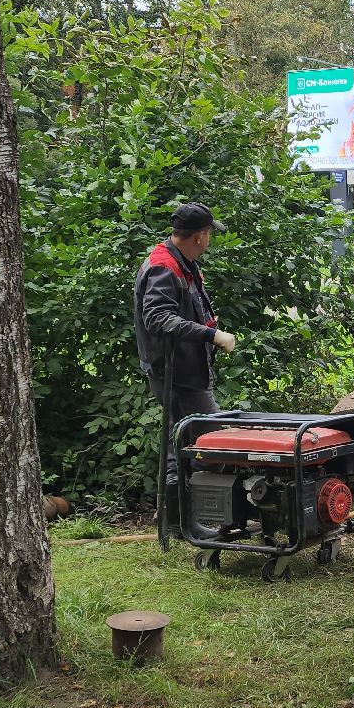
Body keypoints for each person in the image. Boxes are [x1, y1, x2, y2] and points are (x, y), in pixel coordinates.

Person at [133, 202, 238, 541]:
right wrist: (211, 334)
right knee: (203, 440)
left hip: (187, 370)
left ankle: (179, 524)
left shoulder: (183, 263)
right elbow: (158, 319)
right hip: (175, 374)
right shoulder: (165, 267)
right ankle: (184, 523)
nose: (209, 241)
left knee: (184, 442)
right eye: (209, 235)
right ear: (199, 235)